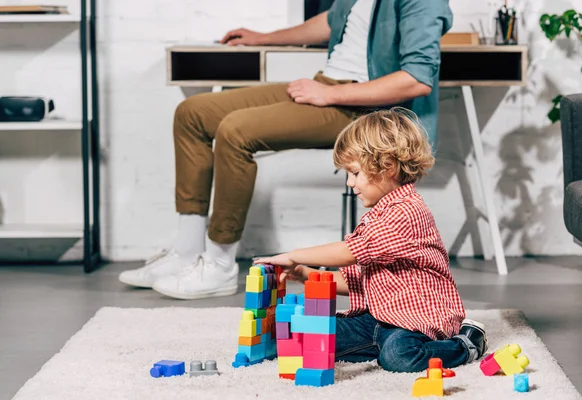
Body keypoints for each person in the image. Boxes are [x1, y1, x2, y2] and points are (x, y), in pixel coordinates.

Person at [118, 0, 454, 300]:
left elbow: (416, 78)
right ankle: (187, 251)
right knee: (193, 113)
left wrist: (330, 96)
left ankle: (219, 265)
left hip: (361, 107)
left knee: (235, 131)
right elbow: (330, 21)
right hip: (329, 84)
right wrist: (263, 38)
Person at [254, 109, 487, 372]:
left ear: (386, 166)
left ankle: (466, 345)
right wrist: (306, 274)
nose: (350, 182)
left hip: (416, 324)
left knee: (399, 357)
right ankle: (375, 347)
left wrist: (294, 255)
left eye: (354, 172)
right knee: (308, 336)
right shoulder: (378, 215)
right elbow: (359, 281)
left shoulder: (406, 212)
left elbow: (350, 251)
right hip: (376, 320)